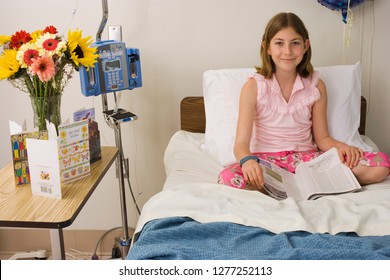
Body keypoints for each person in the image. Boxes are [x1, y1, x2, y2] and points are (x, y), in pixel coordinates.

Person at [218, 12, 390, 192]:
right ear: (266, 47)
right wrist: (247, 162)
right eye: (279, 43)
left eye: (295, 43)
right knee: (228, 178)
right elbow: (240, 144)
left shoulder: (316, 86)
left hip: (307, 162)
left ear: (305, 46)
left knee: (381, 165)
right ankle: (287, 184)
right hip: (265, 162)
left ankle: (302, 184)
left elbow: (322, 138)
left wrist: (343, 147)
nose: (287, 51)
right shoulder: (253, 87)